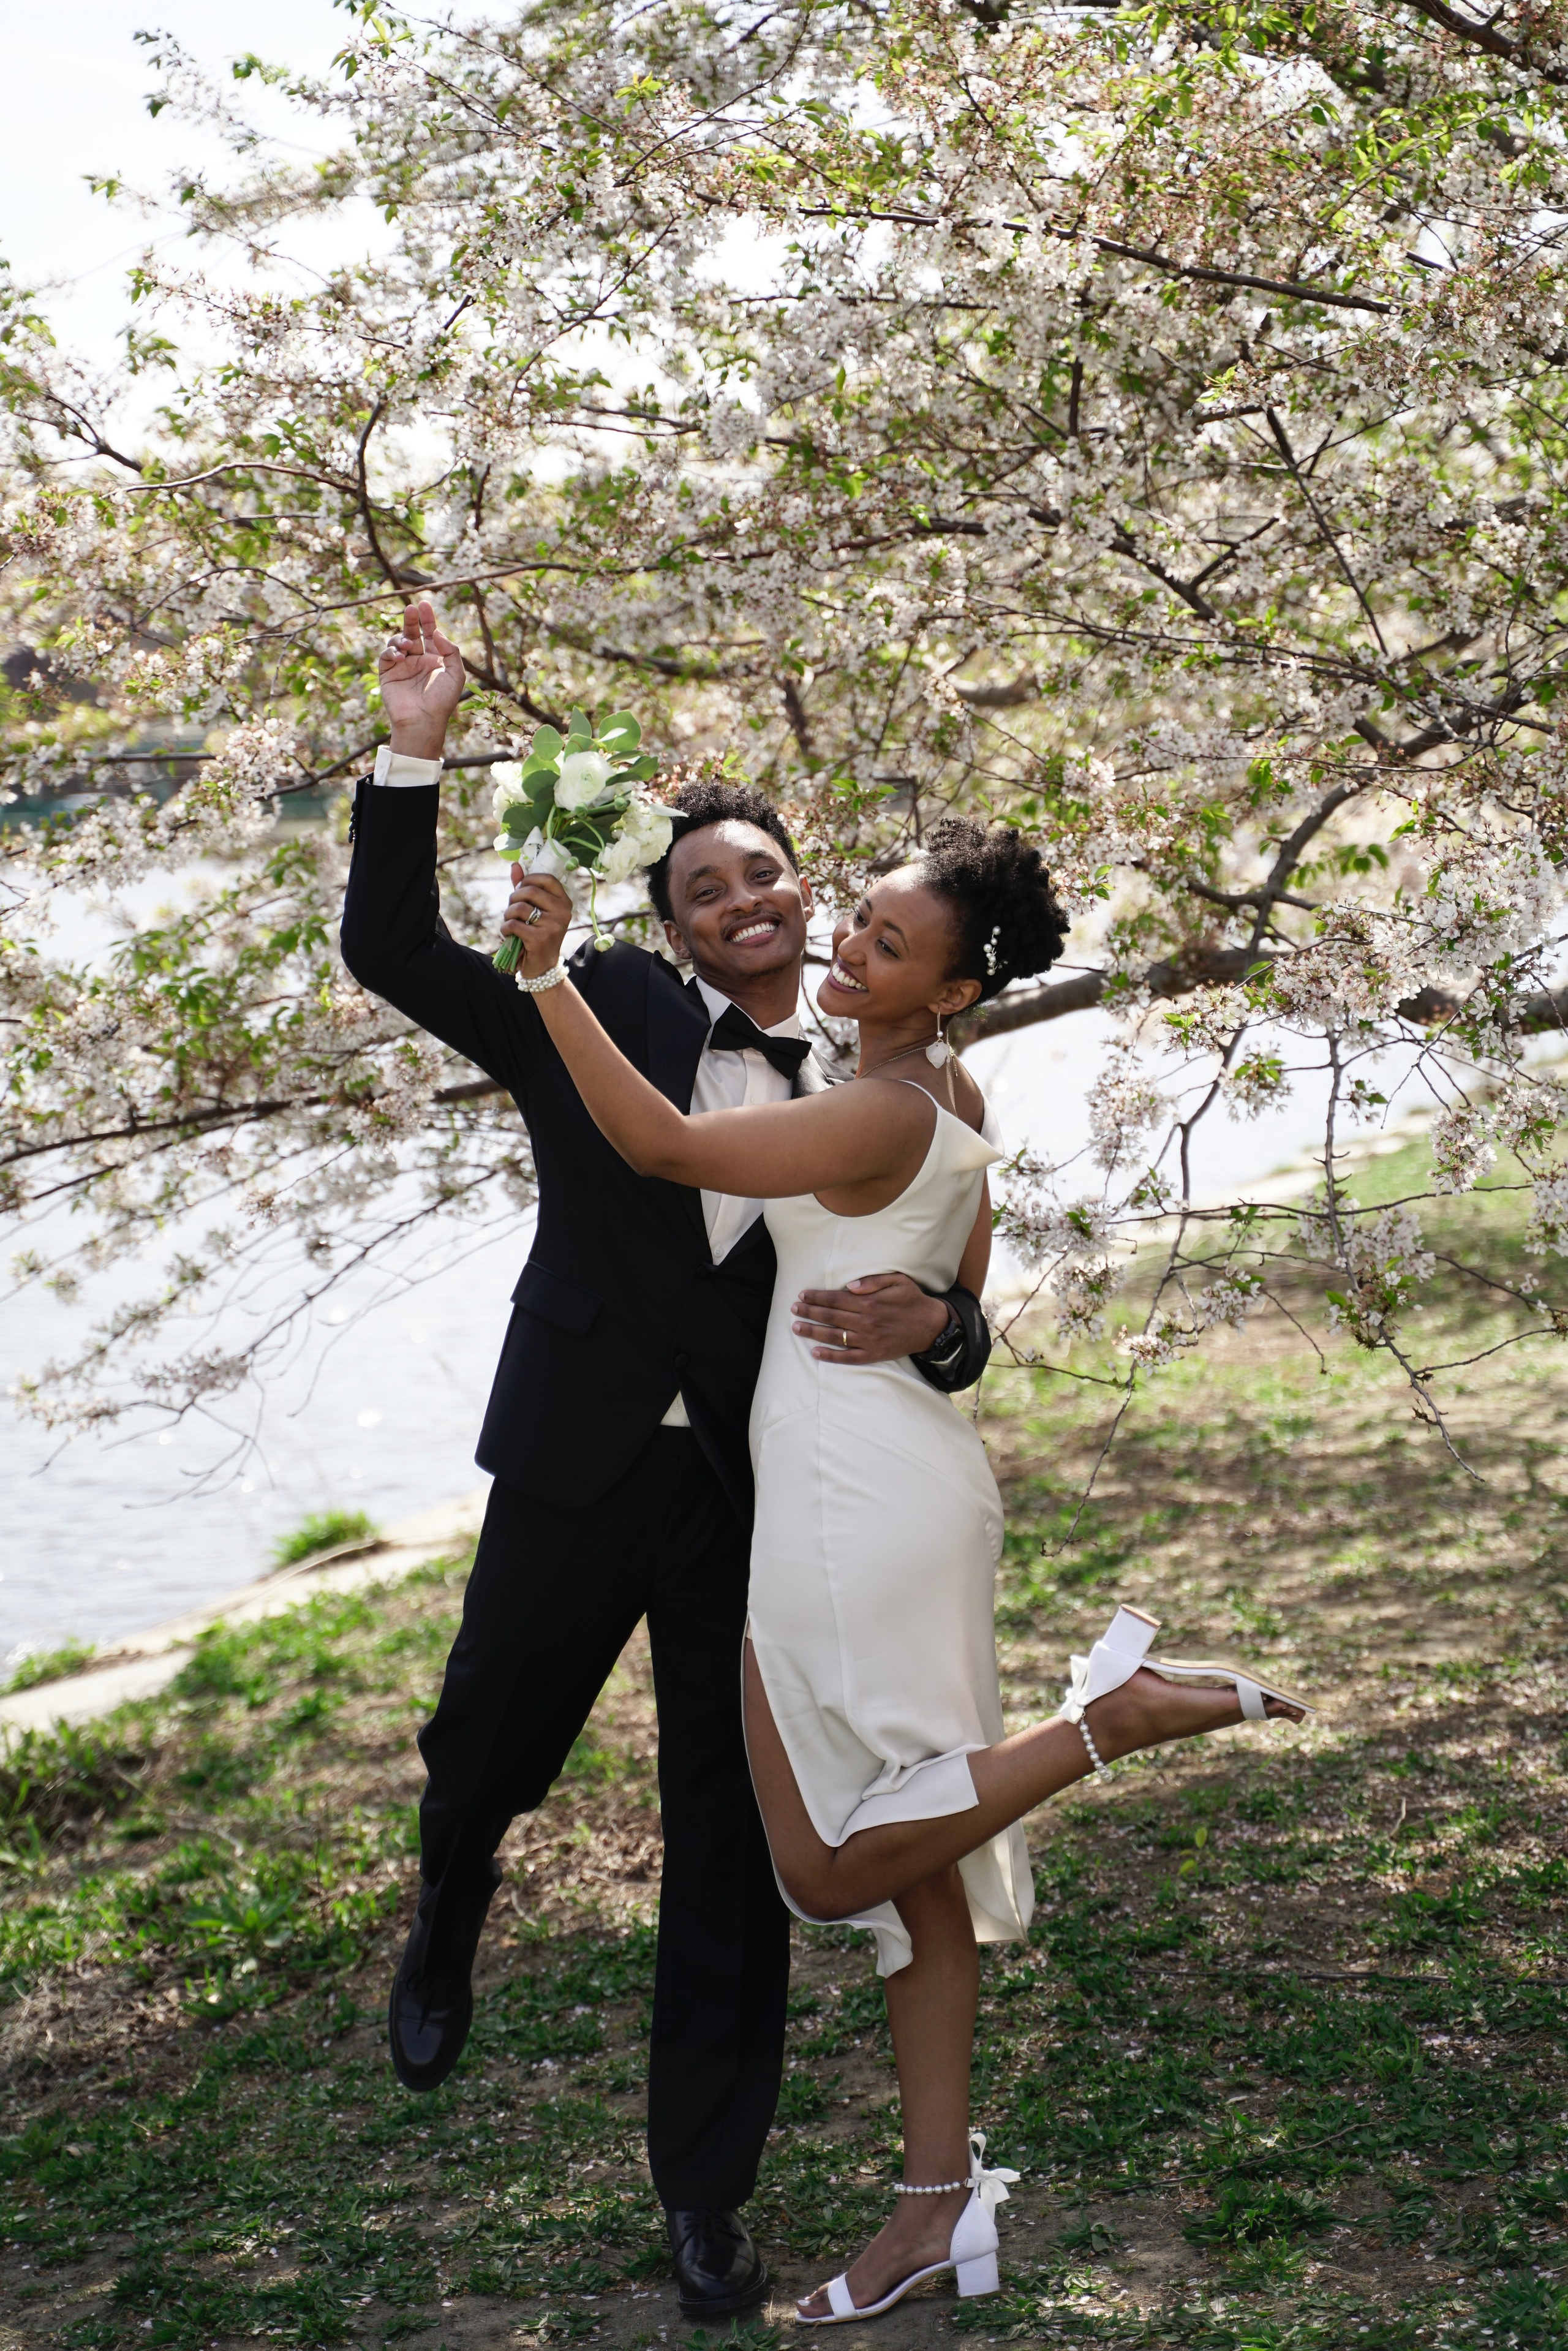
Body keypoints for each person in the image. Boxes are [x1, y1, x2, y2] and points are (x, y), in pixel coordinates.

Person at [501, 817, 1312, 2326]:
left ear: (944, 991)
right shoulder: (942, 1085)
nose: (846, 947)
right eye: (858, 920)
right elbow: (964, 1289)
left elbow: (666, 1147)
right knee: (912, 1877)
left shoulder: (878, 1105)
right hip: (882, 1471)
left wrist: (548, 981)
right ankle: (932, 2208)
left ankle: (1104, 1722)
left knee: (821, 1863)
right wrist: (929, 1319)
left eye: (883, 942)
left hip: (840, 1494)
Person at [337, 602, 995, 2320]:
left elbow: (959, 1290)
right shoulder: (594, 1002)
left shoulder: (894, 1069)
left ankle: (706, 2192)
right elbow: (397, 953)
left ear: (803, 878)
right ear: (673, 922)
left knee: (732, 1852)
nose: (748, 903)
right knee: (482, 1745)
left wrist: (941, 1324)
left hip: (756, 1508)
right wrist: (416, 744)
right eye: (708, 888)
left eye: (768, 873)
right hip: (574, 1454)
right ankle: (450, 1894)